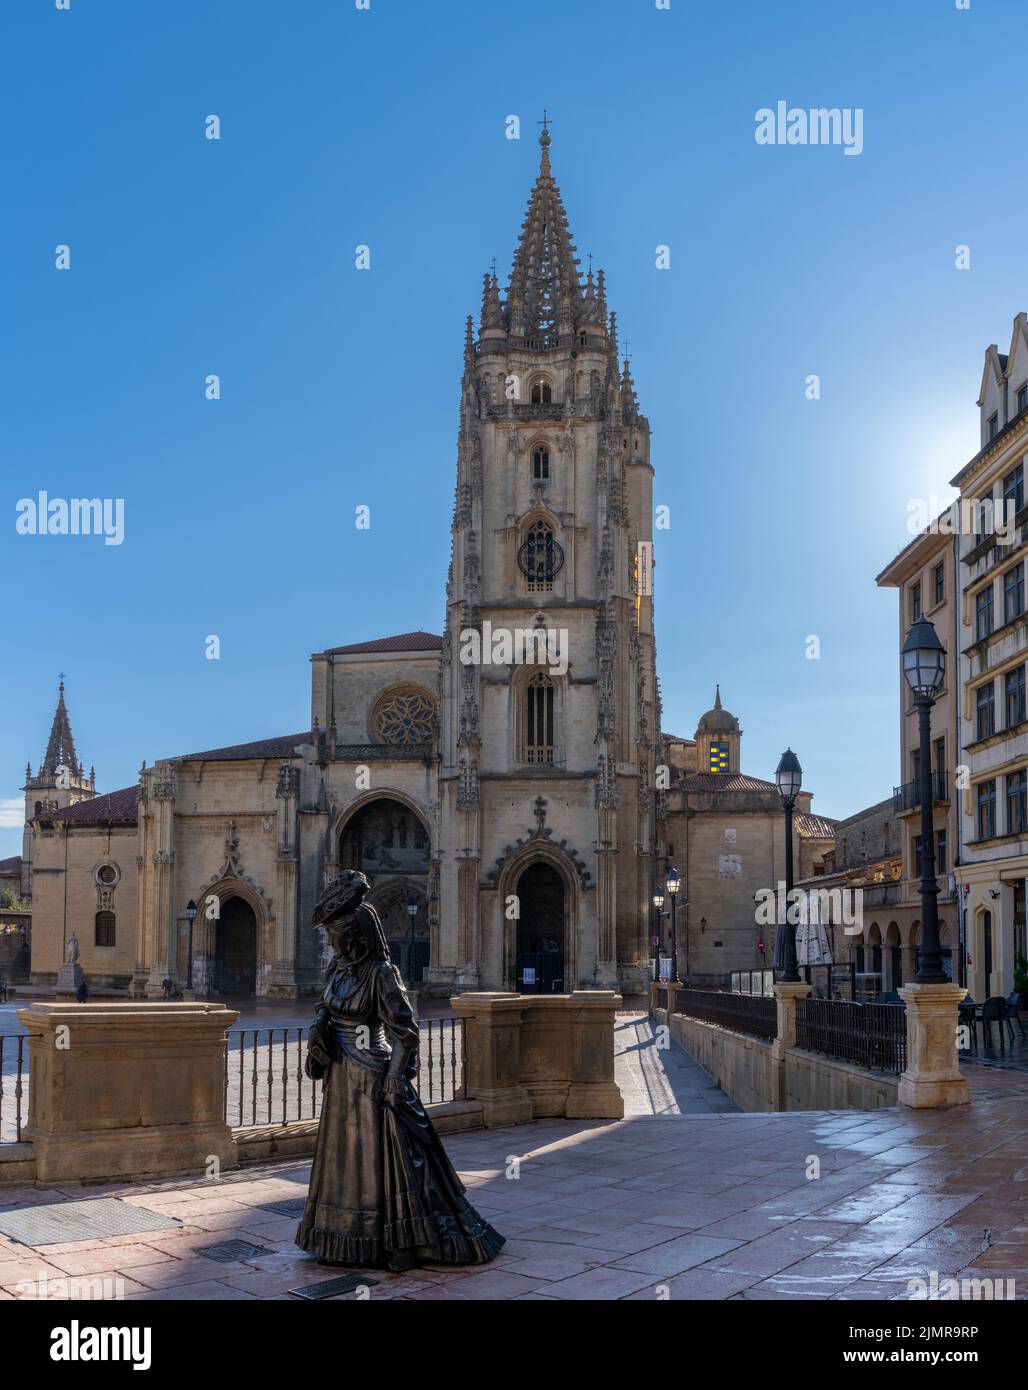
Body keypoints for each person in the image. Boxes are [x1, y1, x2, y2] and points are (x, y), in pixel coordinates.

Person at [295, 869, 504, 1271]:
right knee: (345, 1159)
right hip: (341, 1078)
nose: (330, 939)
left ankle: (399, 1243)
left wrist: (393, 1079)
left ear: (353, 934)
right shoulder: (336, 970)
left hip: (373, 1075)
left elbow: (405, 1033)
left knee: (388, 1161)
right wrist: (318, 1029)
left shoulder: (382, 974)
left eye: (334, 933)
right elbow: (325, 1006)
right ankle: (346, 1238)